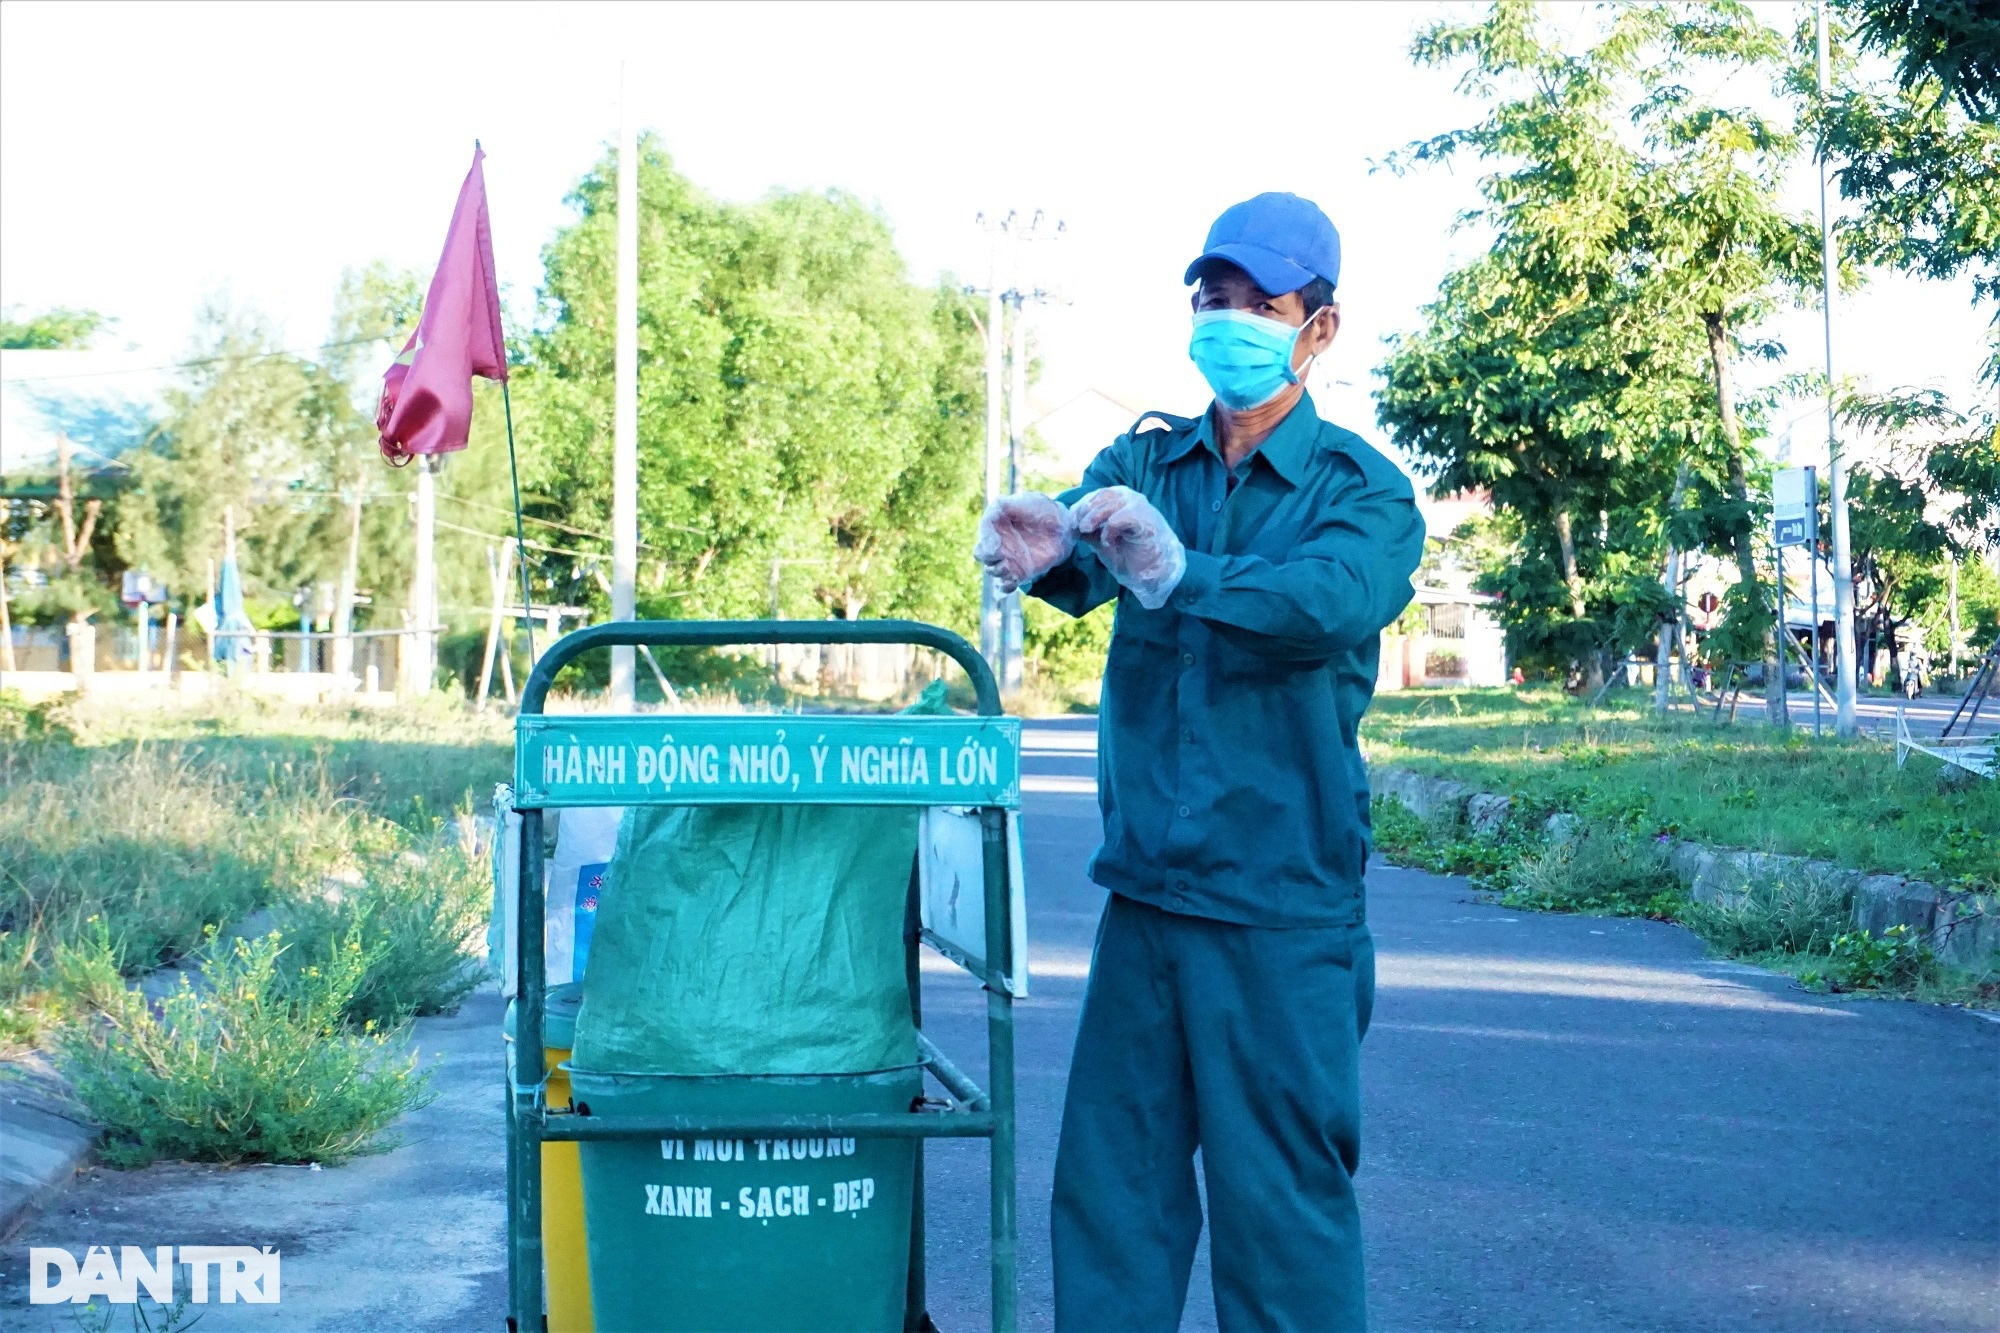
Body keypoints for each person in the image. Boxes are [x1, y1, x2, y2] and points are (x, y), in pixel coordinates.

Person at [973, 192, 1425, 1331]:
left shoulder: (1359, 489)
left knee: (1280, 1211)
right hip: (1147, 897)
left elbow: (1330, 600)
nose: (1229, 320)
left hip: (1279, 907)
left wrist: (1186, 575)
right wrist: (1038, 549)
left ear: (1317, 329)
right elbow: (1085, 560)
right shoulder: (1147, 455)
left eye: (1258, 304)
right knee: (1110, 1199)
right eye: (1212, 299)